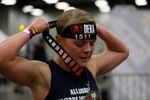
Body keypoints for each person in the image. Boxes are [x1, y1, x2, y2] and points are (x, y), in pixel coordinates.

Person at [0, 8, 129, 100]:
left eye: (91, 43)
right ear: (59, 40)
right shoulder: (44, 74)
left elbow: (122, 51)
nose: (88, 50)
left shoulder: (90, 67)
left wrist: (96, 27)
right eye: (79, 44)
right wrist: (32, 30)